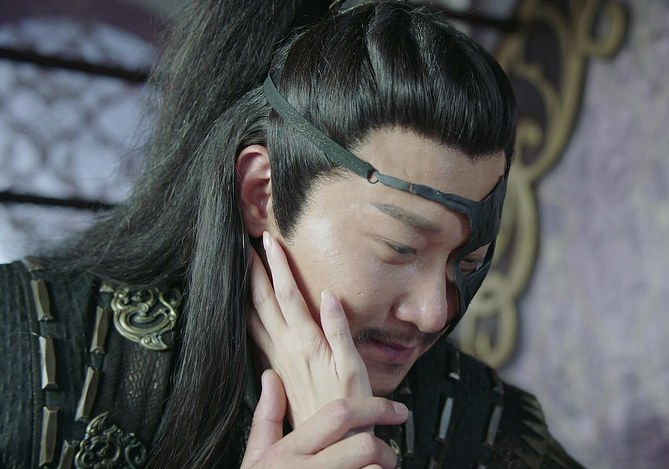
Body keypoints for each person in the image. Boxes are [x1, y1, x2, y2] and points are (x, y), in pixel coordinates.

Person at [0, 1, 583, 467]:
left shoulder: (487, 428)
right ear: (263, 193)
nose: (434, 312)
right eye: (399, 248)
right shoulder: (28, 346)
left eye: (467, 261)